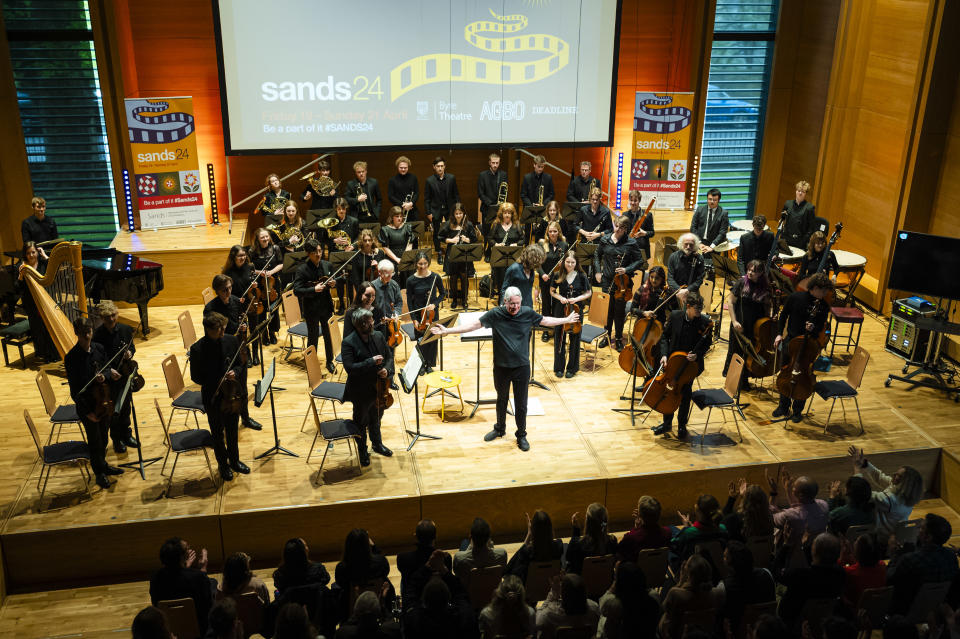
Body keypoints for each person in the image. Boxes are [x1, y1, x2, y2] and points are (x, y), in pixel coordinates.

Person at [431, 287, 579, 451]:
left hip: (522, 367)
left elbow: (545, 320)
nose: (514, 307)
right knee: (501, 399)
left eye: (517, 304)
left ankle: (521, 435)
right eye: (511, 304)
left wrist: (566, 320)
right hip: (501, 367)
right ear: (505, 302)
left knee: (521, 404)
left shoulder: (527, 313)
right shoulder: (496, 314)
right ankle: (500, 428)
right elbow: (474, 325)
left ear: (521, 302)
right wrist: (448, 331)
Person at [190, 312, 250, 480]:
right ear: (208, 329)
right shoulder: (197, 349)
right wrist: (218, 378)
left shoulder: (231, 340)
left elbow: (240, 364)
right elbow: (196, 377)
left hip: (231, 394)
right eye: (219, 329)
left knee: (232, 430)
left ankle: (235, 461)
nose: (223, 331)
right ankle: (223, 466)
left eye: (224, 328)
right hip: (213, 397)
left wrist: (235, 372)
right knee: (217, 433)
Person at [64, 317, 123, 488]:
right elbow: (75, 390)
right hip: (88, 406)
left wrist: (104, 375)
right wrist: (87, 411)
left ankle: (103, 465)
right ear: (77, 334)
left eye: (89, 331)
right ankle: (98, 473)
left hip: (103, 401)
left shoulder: (99, 348)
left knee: (104, 437)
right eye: (83, 333)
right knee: (94, 440)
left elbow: (105, 367)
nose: (87, 335)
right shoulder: (72, 358)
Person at [651, 290, 712, 439]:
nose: (700, 310)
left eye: (701, 307)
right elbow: (665, 336)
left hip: (690, 367)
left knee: (685, 394)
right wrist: (664, 354)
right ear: (688, 306)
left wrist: (697, 355)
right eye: (697, 308)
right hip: (672, 361)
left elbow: (707, 343)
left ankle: (681, 426)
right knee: (668, 392)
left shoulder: (704, 322)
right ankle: (666, 424)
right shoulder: (675, 316)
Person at [772, 272, 833, 421]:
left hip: (809, 346)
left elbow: (821, 326)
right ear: (814, 288)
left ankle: (798, 410)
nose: (825, 293)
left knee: (804, 376)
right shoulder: (795, 298)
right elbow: (783, 315)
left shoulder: (823, 306)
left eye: (826, 290)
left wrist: (814, 327)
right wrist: (779, 334)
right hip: (791, 342)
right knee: (785, 373)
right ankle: (783, 406)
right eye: (823, 290)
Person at [204, 275, 262, 430]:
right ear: (217, 291)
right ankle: (223, 422)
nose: (228, 292)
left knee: (242, 387)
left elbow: (243, 319)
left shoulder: (236, 301)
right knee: (224, 390)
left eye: (230, 287)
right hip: (221, 353)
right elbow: (212, 335)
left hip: (239, 350)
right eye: (224, 290)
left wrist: (244, 326)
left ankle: (246, 418)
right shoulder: (210, 309)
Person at [342, 307, 394, 464]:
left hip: (379, 388)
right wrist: (370, 362)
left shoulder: (377, 336)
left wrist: (387, 369)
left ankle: (377, 444)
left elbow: (389, 357)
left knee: (376, 417)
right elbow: (350, 368)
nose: (373, 322)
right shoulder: (348, 342)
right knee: (361, 421)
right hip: (361, 390)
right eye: (371, 321)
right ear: (363, 324)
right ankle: (363, 451)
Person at [92, 301, 140, 454]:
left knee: (126, 407)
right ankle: (116, 439)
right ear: (102, 318)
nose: (111, 319)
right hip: (110, 380)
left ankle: (127, 435)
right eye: (107, 317)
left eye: (113, 315)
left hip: (125, 374)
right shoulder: (98, 336)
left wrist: (130, 353)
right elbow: (97, 360)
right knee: (113, 411)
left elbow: (131, 347)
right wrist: (109, 371)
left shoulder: (125, 329)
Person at [888, 513, 958, 613]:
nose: (918, 530)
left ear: (928, 537)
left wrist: (894, 555)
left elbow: (889, 579)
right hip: (937, 610)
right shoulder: (952, 557)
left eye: (921, 528)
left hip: (907, 611)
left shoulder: (909, 560)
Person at [594, 216, 646, 351]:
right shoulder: (605, 240)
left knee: (619, 311)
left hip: (623, 283)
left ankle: (618, 338)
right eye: (616, 226)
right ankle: (606, 335)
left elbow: (640, 261)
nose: (617, 230)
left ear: (625, 229)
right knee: (608, 310)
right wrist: (598, 272)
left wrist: (626, 269)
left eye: (621, 228)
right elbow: (596, 255)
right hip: (607, 280)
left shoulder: (631, 243)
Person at [847, 446, 923, 536]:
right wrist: (864, 464)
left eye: (898, 475)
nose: (894, 474)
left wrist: (857, 468)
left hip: (884, 537)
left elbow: (861, 492)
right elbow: (879, 477)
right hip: (896, 531)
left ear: (904, 483)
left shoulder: (890, 500)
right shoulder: (907, 493)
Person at [724, 259, 773, 390]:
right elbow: (730, 302)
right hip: (739, 323)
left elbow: (767, 307)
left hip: (755, 326)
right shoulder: (741, 283)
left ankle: (743, 381)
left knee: (750, 353)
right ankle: (733, 382)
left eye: (754, 271)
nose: (750, 273)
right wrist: (734, 321)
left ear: (761, 273)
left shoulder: (765, 287)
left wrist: (767, 324)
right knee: (736, 352)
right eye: (749, 270)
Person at [149, 536, 216, 634]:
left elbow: (156, 604)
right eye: (187, 549)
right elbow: (206, 605)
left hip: (169, 628)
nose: (189, 550)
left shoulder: (155, 578)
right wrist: (203, 569)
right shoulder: (198, 577)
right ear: (182, 557)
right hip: (198, 628)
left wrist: (185, 568)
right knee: (213, 582)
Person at [777, 532, 844, 627]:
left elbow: (776, 573)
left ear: (814, 552)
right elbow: (818, 570)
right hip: (825, 623)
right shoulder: (840, 574)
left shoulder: (800, 576)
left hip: (794, 624)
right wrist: (805, 547)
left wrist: (786, 546)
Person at [293, 238, 339, 374]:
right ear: (308, 253)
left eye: (320, 251)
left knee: (327, 335)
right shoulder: (302, 270)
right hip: (311, 309)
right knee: (313, 337)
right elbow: (297, 291)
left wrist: (333, 284)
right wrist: (313, 290)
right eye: (315, 252)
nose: (318, 254)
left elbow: (332, 281)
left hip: (326, 307)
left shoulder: (327, 265)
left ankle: (329, 361)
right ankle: (312, 363)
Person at [714, 540, 776, 633]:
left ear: (730, 565)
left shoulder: (723, 589)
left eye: (724, 557)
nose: (722, 559)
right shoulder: (767, 574)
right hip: (768, 632)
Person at [658, 554, 722, 639]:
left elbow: (663, 608)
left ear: (689, 574)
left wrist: (680, 583)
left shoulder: (675, 593)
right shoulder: (716, 593)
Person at [550, 251, 591, 378]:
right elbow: (552, 291)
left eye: (573, 262)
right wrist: (560, 297)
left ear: (576, 263)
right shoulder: (558, 274)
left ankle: (572, 368)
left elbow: (588, 292)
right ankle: (559, 368)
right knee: (559, 337)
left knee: (575, 338)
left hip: (576, 308)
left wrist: (577, 299)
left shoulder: (582, 275)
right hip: (561, 309)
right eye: (568, 262)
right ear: (564, 262)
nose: (570, 265)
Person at [334, 529, 393, 616]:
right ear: (367, 545)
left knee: (334, 586)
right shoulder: (380, 562)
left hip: (351, 608)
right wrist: (374, 547)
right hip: (378, 603)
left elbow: (340, 582)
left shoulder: (342, 568)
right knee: (386, 581)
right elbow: (385, 570)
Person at [16, 241, 58, 361]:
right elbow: (17, 287)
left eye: (33, 252)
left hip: (46, 300)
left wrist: (45, 256)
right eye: (28, 253)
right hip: (31, 303)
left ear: (37, 252)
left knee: (49, 326)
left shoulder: (43, 263)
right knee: (38, 328)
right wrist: (20, 277)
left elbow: (54, 268)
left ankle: (53, 353)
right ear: (25, 254)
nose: (31, 255)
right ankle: (43, 353)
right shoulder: (21, 266)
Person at [397, 520, 452, 609]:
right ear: (435, 537)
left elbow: (411, 583)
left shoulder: (402, 559)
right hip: (439, 603)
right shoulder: (445, 559)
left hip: (414, 606)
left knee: (404, 579)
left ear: (415, 536)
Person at [596, 561, 659, 639]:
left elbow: (601, 608)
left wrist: (614, 584)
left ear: (620, 583)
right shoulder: (654, 598)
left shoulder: (615, 605)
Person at [767, 470, 830, 547]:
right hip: (817, 547)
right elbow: (800, 508)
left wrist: (773, 492)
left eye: (793, 489)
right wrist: (788, 490)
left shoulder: (790, 515)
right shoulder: (824, 505)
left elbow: (770, 516)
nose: (792, 489)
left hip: (795, 552)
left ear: (801, 496)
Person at [406, 251, 445, 371]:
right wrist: (413, 319)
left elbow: (443, 294)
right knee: (421, 340)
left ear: (428, 263)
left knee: (432, 339)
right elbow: (409, 302)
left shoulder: (435, 277)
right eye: (420, 264)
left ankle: (429, 364)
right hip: (419, 315)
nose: (423, 266)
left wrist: (435, 304)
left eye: (425, 263)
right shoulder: (411, 280)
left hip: (432, 314)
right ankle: (421, 365)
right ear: (416, 264)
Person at [222, 244, 261, 366]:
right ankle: (247, 354)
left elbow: (255, 282)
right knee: (242, 332)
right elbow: (226, 291)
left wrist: (255, 284)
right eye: (240, 255)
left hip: (251, 302)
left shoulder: (250, 267)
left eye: (244, 255)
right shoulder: (228, 272)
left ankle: (255, 354)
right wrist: (236, 299)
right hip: (237, 304)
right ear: (233, 257)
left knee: (254, 329)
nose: (243, 257)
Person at [321, 197, 360, 313]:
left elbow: (358, 237)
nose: (341, 211)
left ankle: (352, 305)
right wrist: (334, 241)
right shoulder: (331, 223)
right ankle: (342, 306)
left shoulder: (353, 221)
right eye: (339, 209)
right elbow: (324, 239)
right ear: (335, 209)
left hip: (349, 253)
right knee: (338, 281)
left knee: (350, 280)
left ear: (346, 208)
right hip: (336, 254)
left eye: (343, 208)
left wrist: (353, 246)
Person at [506, 510, 565, 583]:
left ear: (533, 530)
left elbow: (508, 569)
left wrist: (529, 534)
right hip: (551, 587)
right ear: (550, 528)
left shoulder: (527, 552)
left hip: (530, 592)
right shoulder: (558, 546)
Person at [438, 203, 478, 309]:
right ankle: (454, 300)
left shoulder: (468, 224)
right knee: (453, 278)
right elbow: (440, 237)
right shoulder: (448, 224)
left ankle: (464, 300)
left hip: (465, 255)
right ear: (453, 214)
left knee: (464, 278)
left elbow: (474, 239)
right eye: (456, 213)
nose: (459, 215)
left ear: (464, 213)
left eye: (460, 213)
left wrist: (467, 240)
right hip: (452, 255)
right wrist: (451, 240)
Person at [536, 573, 600, 639]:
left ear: (563, 594)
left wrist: (552, 596)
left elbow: (537, 622)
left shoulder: (551, 613)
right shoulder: (594, 608)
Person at [248, 226, 284, 343]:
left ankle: (272, 332)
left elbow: (281, 264)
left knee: (273, 309)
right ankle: (264, 334)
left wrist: (271, 272)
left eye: (266, 236)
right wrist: (261, 272)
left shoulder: (275, 248)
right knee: (261, 310)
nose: (265, 239)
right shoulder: (252, 251)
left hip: (273, 284)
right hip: (259, 285)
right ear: (257, 239)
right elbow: (250, 269)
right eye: (262, 237)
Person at [671, 494, 729, 564]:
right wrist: (692, 528)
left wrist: (686, 528)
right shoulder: (723, 529)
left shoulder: (688, 533)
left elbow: (673, 545)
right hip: (715, 568)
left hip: (694, 568)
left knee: (671, 529)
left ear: (698, 511)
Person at [423, 156, 460, 260]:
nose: (440, 168)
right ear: (434, 167)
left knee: (452, 229)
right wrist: (428, 213)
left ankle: (451, 251)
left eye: (442, 166)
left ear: (445, 167)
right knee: (437, 232)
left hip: (450, 209)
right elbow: (427, 199)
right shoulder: (429, 180)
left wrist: (458, 209)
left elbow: (456, 195)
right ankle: (439, 252)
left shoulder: (451, 178)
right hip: (435, 210)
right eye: (438, 166)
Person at [565, 503, 618, 575]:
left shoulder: (577, 544)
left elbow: (569, 558)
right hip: (605, 583)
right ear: (605, 521)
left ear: (587, 521)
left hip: (582, 584)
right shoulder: (612, 541)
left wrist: (576, 531)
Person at [617, 495, 671, 562]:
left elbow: (619, 553)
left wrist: (636, 529)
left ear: (640, 515)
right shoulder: (667, 532)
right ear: (659, 514)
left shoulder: (630, 537)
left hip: (637, 571)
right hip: (658, 570)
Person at [488, 202, 524, 296]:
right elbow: (490, 239)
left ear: (512, 214)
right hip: (500, 257)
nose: (507, 215)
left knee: (513, 279)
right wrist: (496, 244)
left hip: (514, 257)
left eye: (509, 213)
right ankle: (502, 298)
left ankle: (513, 298)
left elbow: (523, 239)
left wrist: (516, 244)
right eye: (505, 213)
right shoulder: (496, 224)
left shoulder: (516, 224)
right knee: (501, 279)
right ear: (501, 214)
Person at [842, 532, 886, 607]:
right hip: (877, 610)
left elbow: (836, 571)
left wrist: (842, 558)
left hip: (855, 613)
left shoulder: (848, 572)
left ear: (858, 552)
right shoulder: (882, 565)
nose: (854, 541)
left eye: (856, 541)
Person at [378, 206, 417, 287]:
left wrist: (404, 258)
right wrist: (396, 259)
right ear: (392, 217)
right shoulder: (385, 229)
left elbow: (410, 243)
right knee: (395, 283)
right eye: (397, 216)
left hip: (406, 257)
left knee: (409, 282)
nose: (399, 218)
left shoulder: (407, 227)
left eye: (401, 216)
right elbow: (385, 247)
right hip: (392, 258)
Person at [666, 233, 706, 305]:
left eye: (691, 245)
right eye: (686, 244)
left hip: (692, 292)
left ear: (695, 245)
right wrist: (680, 291)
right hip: (675, 292)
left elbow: (699, 280)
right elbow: (670, 278)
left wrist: (687, 290)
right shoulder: (673, 257)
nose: (688, 247)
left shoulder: (699, 258)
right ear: (681, 244)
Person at [689, 187, 729, 254]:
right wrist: (699, 243)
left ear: (719, 200)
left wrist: (712, 247)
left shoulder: (723, 213)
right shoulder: (699, 210)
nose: (712, 202)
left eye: (714, 200)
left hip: (714, 245)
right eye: (710, 199)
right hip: (699, 242)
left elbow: (722, 233)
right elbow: (693, 227)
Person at [478, 152, 509, 233]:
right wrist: (491, 204)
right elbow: (480, 193)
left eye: (497, 163)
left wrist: (500, 204)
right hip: (487, 208)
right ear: (489, 163)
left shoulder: (503, 174)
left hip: (500, 209)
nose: (495, 165)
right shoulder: (482, 175)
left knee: (499, 232)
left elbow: (504, 192)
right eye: (493, 163)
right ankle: (486, 245)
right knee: (487, 232)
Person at [782, 180, 817, 249]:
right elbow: (782, 220)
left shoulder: (809, 208)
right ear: (796, 191)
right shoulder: (788, 204)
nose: (800, 193)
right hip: (786, 239)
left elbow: (811, 228)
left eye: (803, 192)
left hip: (800, 242)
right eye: (798, 191)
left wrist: (803, 241)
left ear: (805, 194)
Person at [348, 229, 384, 294]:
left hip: (378, 287)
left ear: (372, 241)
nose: (367, 242)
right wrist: (360, 292)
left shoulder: (380, 253)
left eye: (369, 240)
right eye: (365, 240)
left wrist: (378, 266)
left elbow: (384, 272)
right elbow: (356, 277)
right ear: (362, 242)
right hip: (363, 288)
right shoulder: (357, 255)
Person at [622, 189, 656, 259]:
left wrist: (645, 233)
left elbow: (652, 233)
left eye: (635, 200)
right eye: (631, 200)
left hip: (641, 248)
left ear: (639, 201)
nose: (633, 203)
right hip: (628, 248)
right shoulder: (624, 215)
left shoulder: (647, 215)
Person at [373, 259, 403, 332]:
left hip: (391, 323)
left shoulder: (394, 285)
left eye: (392, 273)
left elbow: (399, 302)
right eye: (387, 274)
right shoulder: (372, 287)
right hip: (377, 324)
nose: (390, 277)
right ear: (379, 272)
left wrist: (396, 313)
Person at [387, 155, 419, 222]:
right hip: (398, 211)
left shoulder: (413, 178)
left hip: (412, 209)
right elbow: (390, 196)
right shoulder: (392, 180)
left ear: (408, 167)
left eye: (405, 167)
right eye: (401, 168)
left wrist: (411, 203)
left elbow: (416, 193)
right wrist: (403, 204)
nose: (403, 169)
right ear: (397, 167)